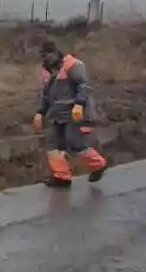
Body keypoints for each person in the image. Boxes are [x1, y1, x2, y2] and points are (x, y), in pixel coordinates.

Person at [32, 41, 110, 187]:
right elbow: (46, 94)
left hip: (74, 112)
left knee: (76, 143)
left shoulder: (73, 65)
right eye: (43, 56)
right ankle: (61, 176)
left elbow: (83, 85)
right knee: (53, 145)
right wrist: (40, 112)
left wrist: (79, 104)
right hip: (57, 114)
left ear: (55, 52)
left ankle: (99, 165)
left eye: (48, 55)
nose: (46, 59)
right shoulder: (48, 71)